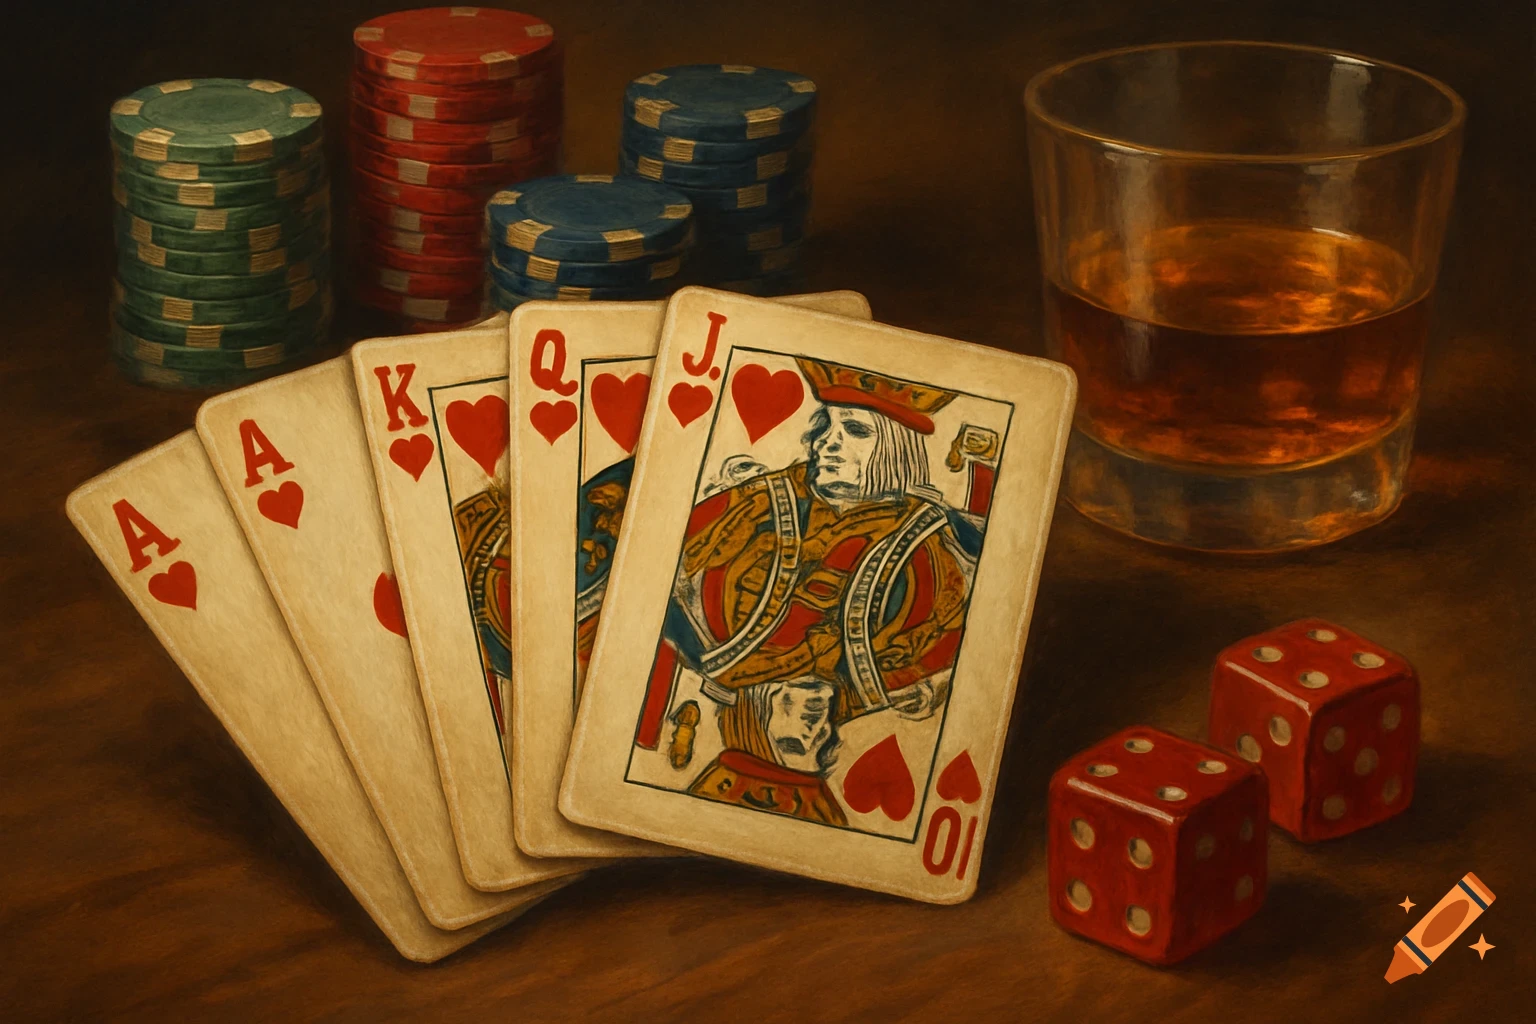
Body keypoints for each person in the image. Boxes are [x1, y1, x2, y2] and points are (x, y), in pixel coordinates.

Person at [653, 357, 987, 824]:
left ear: (897, 449)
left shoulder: (943, 545)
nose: (827, 442)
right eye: (826, 426)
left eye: (855, 430)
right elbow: (657, 574)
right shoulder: (750, 506)